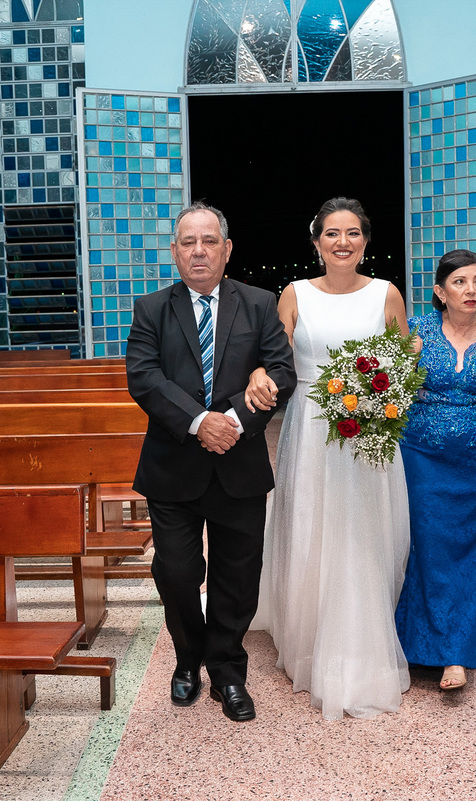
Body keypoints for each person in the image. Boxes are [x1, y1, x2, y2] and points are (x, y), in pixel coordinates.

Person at [125, 202, 295, 723]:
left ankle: (227, 670)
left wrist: (236, 421)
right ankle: (187, 659)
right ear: (175, 252)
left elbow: (282, 371)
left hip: (239, 465)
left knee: (237, 576)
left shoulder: (260, 303)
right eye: (187, 242)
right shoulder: (151, 308)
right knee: (177, 572)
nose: (198, 251)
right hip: (173, 466)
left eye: (208, 241)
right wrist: (202, 422)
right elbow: (144, 377)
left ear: (226, 249)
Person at [248, 197, 412, 720]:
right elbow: (275, 358)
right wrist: (257, 375)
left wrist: (380, 404)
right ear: (316, 241)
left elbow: (403, 365)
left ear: (366, 240)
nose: (343, 242)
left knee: (363, 532)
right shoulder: (293, 295)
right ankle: (310, 636)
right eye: (332, 233)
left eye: (353, 233)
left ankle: (366, 632)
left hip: (368, 432)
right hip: (313, 429)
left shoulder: (387, 294)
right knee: (312, 525)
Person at [393, 249, 476, 691]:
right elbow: (390, 390)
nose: (471, 290)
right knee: (430, 547)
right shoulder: (418, 332)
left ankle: (455, 654)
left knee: (471, 549)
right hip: (423, 457)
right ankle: (425, 644)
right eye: (460, 282)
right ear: (439, 291)